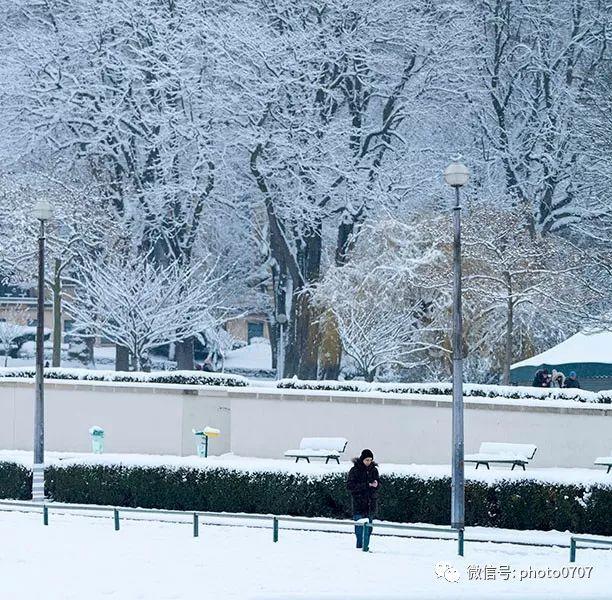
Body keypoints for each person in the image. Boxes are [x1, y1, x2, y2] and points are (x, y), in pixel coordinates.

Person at [347, 448, 380, 549]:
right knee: (359, 529)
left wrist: (377, 485)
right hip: (359, 504)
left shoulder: (374, 470)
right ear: (362, 459)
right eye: (367, 460)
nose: (368, 462)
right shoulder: (354, 470)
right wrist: (366, 485)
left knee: (369, 530)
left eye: (370, 460)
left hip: (370, 503)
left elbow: (379, 483)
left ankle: (365, 547)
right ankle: (359, 547)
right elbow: (350, 486)